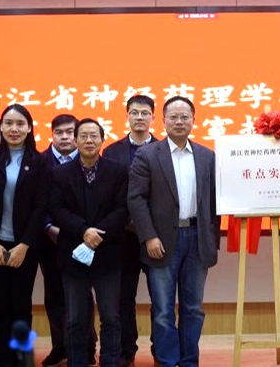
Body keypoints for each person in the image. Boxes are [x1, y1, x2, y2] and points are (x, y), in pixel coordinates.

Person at [127, 96, 219, 367]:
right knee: (163, 310)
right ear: (163, 120)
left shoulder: (207, 156)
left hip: (197, 240)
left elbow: (214, 202)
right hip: (162, 240)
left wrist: (212, 238)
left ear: (193, 120)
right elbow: (136, 199)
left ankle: (189, 361)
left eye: (185, 117)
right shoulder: (147, 155)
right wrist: (149, 236)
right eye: (173, 117)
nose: (179, 122)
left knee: (193, 309)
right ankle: (167, 361)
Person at [0, 104, 50, 367]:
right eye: (8, 123)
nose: (14, 129)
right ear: (1, 127)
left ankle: (21, 360)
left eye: (20, 123)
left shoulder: (40, 162)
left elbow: (41, 206)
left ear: (29, 128)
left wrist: (24, 245)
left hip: (24, 248)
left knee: (20, 307)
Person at [50, 118, 130, 367]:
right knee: (75, 318)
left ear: (102, 140)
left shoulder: (118, 171)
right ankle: (77, 361)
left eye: (94, 135)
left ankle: (110, 361)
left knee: (111, 316)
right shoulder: (60, 173)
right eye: (83, 136)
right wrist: (84, 231)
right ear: (75, 140)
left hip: (108, 252)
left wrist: (98, 233)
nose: (88, 140)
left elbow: (122, 209)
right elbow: (57, 209)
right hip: (73, 252)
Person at [103, 95, 159, 367]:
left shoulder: (164, 149)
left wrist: (147, 226)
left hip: (156, 236)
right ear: (126, 116)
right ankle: (127, 350)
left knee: (160, 298)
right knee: (124, 299)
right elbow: (109, 194)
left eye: (145, 113)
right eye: (134, 112)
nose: (139, 117)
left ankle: (161, 349)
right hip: (122, 236)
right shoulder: (111, 152)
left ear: (153, 118)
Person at [39, 114, 97, 367]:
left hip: (82, 239)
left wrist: (82, 230)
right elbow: (35, 200)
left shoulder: (90, 160)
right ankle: (60, 346)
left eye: (69, 132)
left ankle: (88, 346)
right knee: (54, 295)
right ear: (52, 134)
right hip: (49, 240)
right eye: (59, 132)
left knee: (83, 296)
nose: (64, 137)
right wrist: (48, 226)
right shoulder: (39, 161)